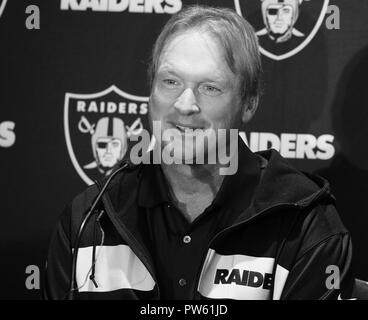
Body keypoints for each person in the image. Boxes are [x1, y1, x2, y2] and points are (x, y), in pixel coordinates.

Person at [43, 5, 355, 300]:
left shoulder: (305, 225)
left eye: (210, 87)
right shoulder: (91, 217)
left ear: (249, 103)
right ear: (150, 91)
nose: (184, 104)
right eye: (170, 81)